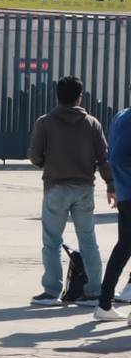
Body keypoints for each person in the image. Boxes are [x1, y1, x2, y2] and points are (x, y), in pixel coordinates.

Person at [28, 75, 110, 305]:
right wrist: (111, 184)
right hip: (84, 187)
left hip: (55, 187)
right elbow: (104, 158)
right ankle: (94, 291)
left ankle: (51, 290)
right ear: (79, 97)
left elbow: (34, 155)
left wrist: (49, 164)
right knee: (88, 240)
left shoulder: (45, 122)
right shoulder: (92, 123)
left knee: (51, 241)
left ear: (57, 96)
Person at [95, 106, 131, 321]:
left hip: (125, 192)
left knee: (123, 247)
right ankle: (104, 303)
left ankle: (104, 303)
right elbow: (118, 156)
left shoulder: (121, 116)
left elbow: (111, 155)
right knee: (123, 248)